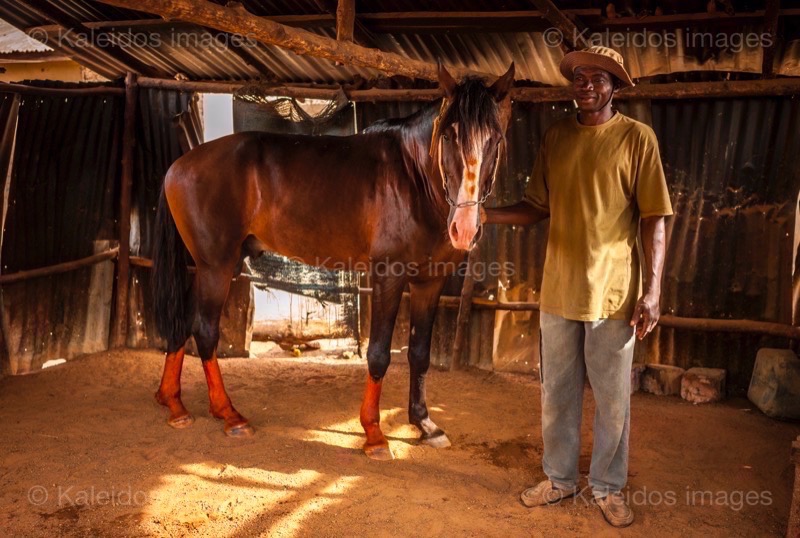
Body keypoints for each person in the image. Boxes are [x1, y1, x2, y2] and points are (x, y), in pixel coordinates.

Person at [483, 46, 673, 528]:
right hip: (560, 290)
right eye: (578, 76)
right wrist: (481, 214)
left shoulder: (637, 139)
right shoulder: (556, 138)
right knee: (557, 393)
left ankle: (608, 488)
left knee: (613, 399)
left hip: (614, 294)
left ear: (615, 87)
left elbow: (655, 220)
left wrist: (652, 292)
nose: (585, 83)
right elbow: (533, 207)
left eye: (597, 77)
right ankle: (560, 480)